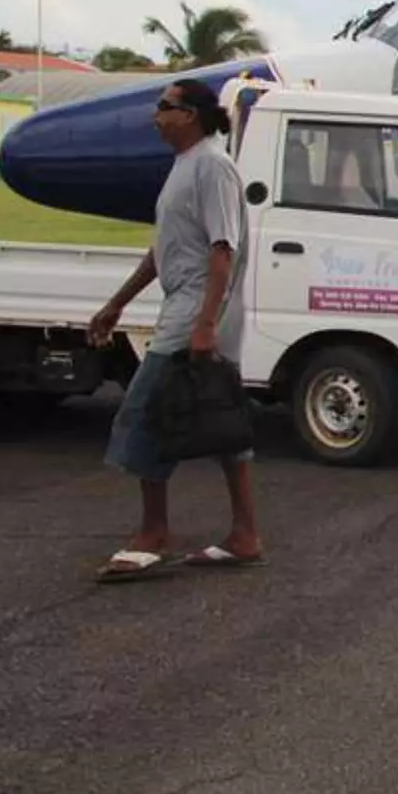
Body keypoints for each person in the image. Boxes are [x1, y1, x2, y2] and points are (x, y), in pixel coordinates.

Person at [87, 78, 265, 579]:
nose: (155, 115)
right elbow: (162, 251)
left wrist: (205, 325)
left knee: (144, 413)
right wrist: (117, 304)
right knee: (221, 421)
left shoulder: (212, 165)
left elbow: (222, 249)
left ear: (189, 115)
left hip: (196, 314)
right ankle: (245, 536)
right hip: (191, 310)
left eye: (164, 106)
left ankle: (154, 533)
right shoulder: (185, 165)